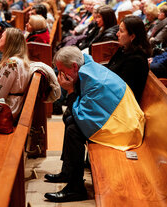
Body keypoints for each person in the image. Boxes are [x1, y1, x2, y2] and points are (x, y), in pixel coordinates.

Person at [44, 46, 145, 202]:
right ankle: (69, 172)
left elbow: (84, 117)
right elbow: (84, 111)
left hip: (124, 127)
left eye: (62, 71)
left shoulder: (92, 80)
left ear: (74, 66)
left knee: (73, 128)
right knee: (69, 117)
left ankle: (75, 188)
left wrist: (70, 90)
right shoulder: (86, 66)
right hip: (120, 117)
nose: (60, 75)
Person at [106, 15, 151, 103]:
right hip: (111, 95)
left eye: (121, 31)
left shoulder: (137, 60)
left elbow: (121, 89)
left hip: (122, 103)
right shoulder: (123, 49)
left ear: (132, 36)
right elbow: (109, 68)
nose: (117, 34)